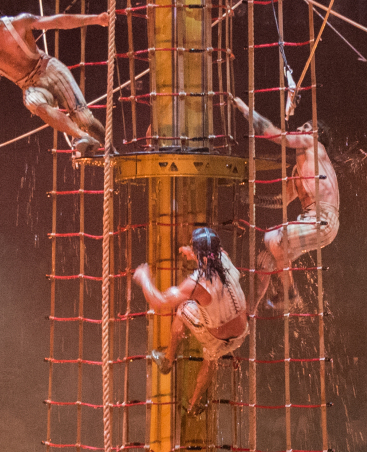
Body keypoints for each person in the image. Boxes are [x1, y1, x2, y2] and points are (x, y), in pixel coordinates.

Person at [0, 0, 112, 160]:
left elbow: (58, 21)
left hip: (49, 70)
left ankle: (111, 150)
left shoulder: (19, 23)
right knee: (34, 102)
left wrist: (96, 19)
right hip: (29, 85)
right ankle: (83, 137)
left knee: (85, 120)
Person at [232, 94, 340, 314]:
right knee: (265, 261)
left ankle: (289, 292)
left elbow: (276, 135)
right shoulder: (298, 171)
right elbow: (282, 201)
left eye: (306, 127)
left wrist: (244, 109)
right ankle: (250, 312)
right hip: (312, 222)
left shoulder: (313, 143)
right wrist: (253, 199)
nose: (300, 129)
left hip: (323, 219)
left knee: (272, 238)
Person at [132, 226, 249, 416]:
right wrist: (193, 253)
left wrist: (144, 277)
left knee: (183, 309)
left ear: (199, 254)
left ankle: (168, 360)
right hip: (242, 334)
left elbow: (159, 302)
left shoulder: (196, 283)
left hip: (217, 340)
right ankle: (194, 404)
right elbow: (211, 257)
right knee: (211, 357)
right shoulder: (224, 257)